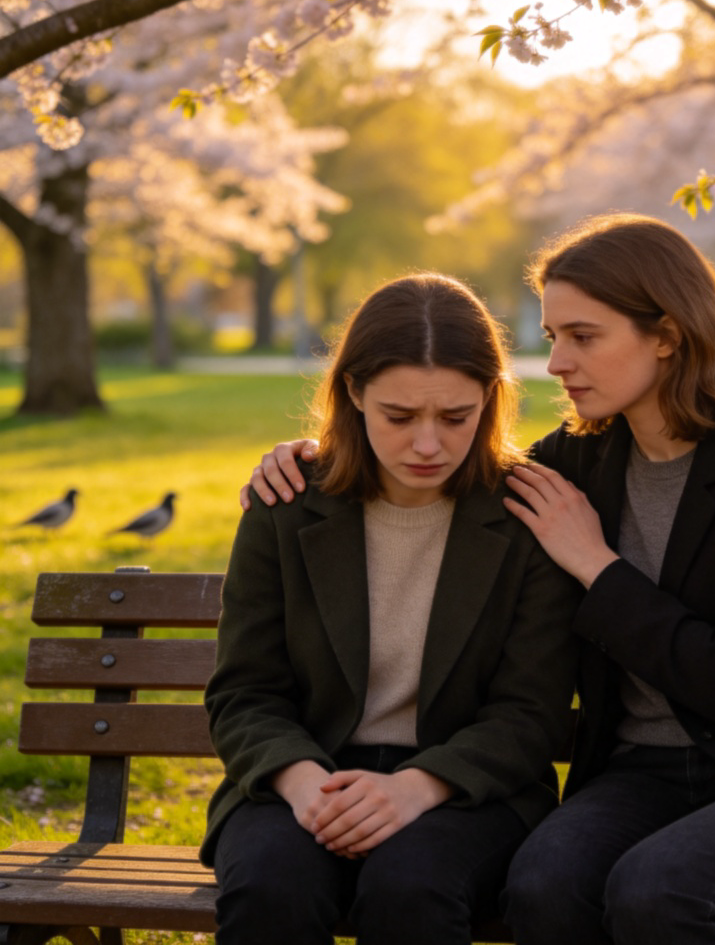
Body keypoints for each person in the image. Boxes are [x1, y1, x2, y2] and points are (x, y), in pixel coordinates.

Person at [241, 213, 715, 945]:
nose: (557, 362)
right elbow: (450, 458)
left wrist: (597, 565)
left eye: (583, 336)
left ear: (665, 334)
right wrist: (312, 452)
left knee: (658, 893)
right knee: (542, 884)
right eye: (552, 338)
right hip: (640, 775)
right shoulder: (578, 461)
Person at [203, 273, 580, 945]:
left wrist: (417, 786)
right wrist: (303, 785)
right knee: (270, 888)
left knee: (411, 888)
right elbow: (244, 692)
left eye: (456, 417)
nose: (428, 445)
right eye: (399, 417)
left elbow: (530, 712)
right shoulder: (287, 506)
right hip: (303, 772)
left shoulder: (525, 517)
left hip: (466, 788)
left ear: (491, 398)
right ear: (353, 392)